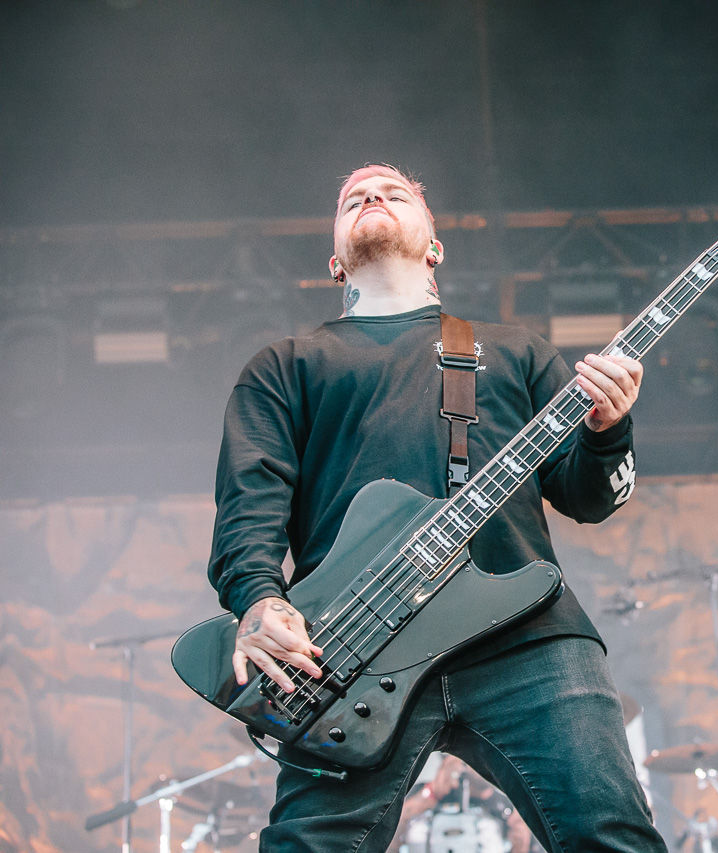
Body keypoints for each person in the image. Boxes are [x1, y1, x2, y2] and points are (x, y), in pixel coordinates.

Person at [207, 164, 665, 853]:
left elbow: (590, 498)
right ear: (334, 262)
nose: (371, 196)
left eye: (394, 192)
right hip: (352, 651)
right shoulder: (285, 366)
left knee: (613, 837)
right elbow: (250, 500)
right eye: (352, 199)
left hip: (525, 638)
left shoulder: (516, 351)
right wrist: (259, 600)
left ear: (435, 247)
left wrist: (609, 432)